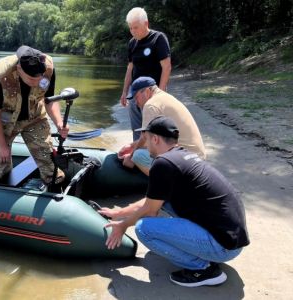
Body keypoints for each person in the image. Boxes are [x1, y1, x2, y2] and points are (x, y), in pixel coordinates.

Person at [100, 116, 249, 287]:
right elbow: (151, 202)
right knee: (167, 203)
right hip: (232, 240)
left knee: (144, 229)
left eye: (146, 139)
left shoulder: (163, 164)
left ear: (155, 139)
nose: (145, 144)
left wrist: (123, 225)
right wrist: (117, 214)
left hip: (222, 247)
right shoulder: (181, 156)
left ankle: (203, 269)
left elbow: (149, 211)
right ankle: (201, 253)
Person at [0, 45, 69, 186]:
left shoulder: (48, 68)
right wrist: (1, 145)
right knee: (1, 161)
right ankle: (2, 193)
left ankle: (55, 188)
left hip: (35, 117)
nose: (36, 82)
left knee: (47, 157)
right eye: (31, 79)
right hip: (4, 122)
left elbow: (49, 100)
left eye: (39, 78)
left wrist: (59, 123)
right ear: (19, 69)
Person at [118, 76, 206, 176]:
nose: (136, 103)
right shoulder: (166, 97)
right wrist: (131, 146)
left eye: (136, 97)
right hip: (197, 157)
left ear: (147, 91)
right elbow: (150, 138)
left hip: (185, 161)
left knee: (138, 156)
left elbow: (146, 138)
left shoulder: (150, 105)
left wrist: (131, 157)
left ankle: (165, 184)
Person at [120, 7, 172, 141]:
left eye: (135, 28)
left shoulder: (158, 39)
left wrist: (160, 94)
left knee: (153, 130)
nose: (132, 31)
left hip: (152, 92)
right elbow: (129, 68)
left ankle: (154, 159)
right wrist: (125, 91)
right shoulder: (132, 43)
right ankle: (137, 155)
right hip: (134, 93)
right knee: (137, 130)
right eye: (130, 28)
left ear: (146, 23)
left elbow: (166, 67)